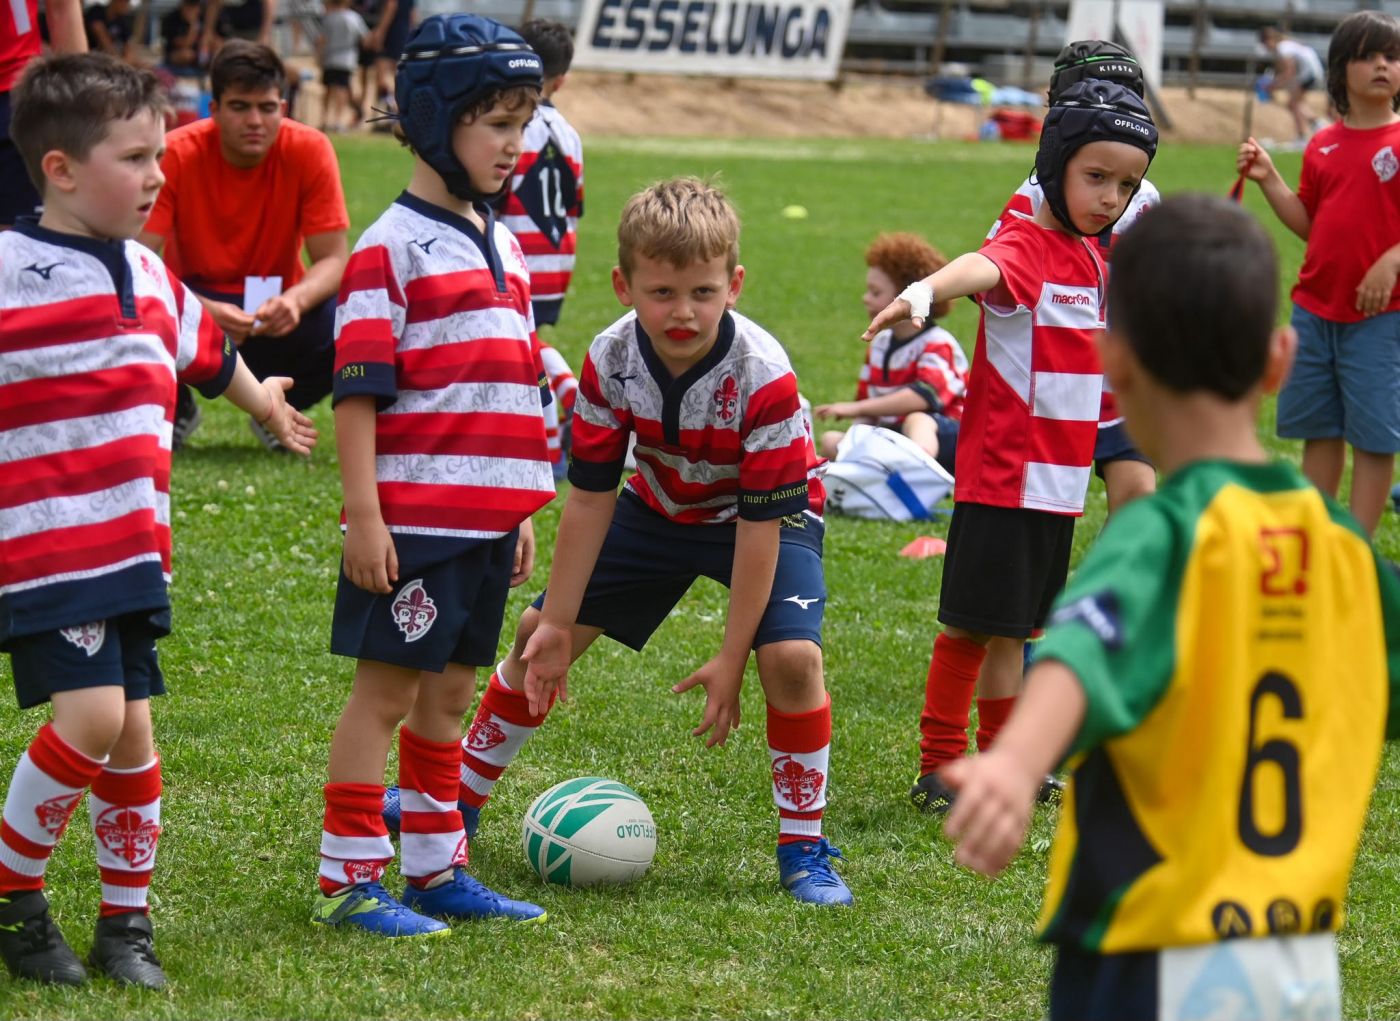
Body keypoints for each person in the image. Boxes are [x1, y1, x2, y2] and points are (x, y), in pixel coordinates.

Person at [942, 192, 1400, 1021]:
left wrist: (1014, 761)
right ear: (1280, 360)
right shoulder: (1342, 548)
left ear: (1112, 365)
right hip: (1295, 962)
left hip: (1152, 950)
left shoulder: (1167, 531)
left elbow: (1080, 653)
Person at [382, 176, 853, 907]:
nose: (683, 311)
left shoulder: (764, 375)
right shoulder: (610, 357)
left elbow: (759, 528)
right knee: (537, 633)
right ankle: (455, 801)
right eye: (661, 292)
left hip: (760, 518)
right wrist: (561, 620)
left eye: (702, 292)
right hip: (659, 504)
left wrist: (732, 659)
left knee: (793, 660)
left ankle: (803, 847)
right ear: (623, 286)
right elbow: (591, 496)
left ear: (734, 285)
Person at [0, 52, 315, 988]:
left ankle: (124, 921)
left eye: (158, 157)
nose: (156, 176)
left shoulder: (148, 272)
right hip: (51, 549)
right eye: (135, 158)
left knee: (132, 734)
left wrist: (267, 406)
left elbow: (208, 356)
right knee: (95, 717)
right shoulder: (11, 271)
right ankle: (13, 895)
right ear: (60, 169)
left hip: (135, 551)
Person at [312, 13, 554, 938]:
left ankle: (434, 868)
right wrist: (365, 515)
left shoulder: (505, 241)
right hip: (414, 523)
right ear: (430, 119)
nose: (515, 143)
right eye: (496, 123)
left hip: (485, 523)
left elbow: (512, 385)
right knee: (386, 695)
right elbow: (357, 393)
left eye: (524, 123)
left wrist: (518, 506)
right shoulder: (390, 247)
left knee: (451, 694)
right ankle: (347, 877)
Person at [860, 80, 1158, 816]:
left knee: (1018, 631)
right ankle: (939, 765)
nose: (1110, 197)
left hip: (1058, 485)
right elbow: (981, 265)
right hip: (1003, 479)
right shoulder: (1029, 243)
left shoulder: (1093, 258)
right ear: (1054, 165)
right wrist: (924, 292)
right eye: (1096, 176)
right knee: (971, 627)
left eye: (1126, 185)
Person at [140, 40, 350, 450]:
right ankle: (175, 411)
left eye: (267, 108)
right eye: (239, 107)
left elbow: (334, 260)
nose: (255, 121)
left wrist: (295, 301)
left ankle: (282, 410)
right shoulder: (176, 152)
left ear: (283, 109)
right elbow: (139, 261)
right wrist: (200, 309)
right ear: (214, 109)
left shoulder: (310, 148)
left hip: (277, 306)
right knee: (137, 305)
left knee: (357, 316)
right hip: (195, 301)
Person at [1237, 10, 1400, 537]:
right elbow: (1312, 223)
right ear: (1339, 71)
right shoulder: (1322, 144)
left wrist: (1392, 260)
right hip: (1314, 310)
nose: (1383, 65)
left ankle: (1358, 547)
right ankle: (1317, 541)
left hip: (1380, 318)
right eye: (1368, 56)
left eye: (1392, 56)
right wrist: (1269, 179)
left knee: (1375, 438)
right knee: (1320, 431)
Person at [989, 39, 1160, 520]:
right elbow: (996, 273)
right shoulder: (1034, 196)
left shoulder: (1145, 199)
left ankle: (1112, 573)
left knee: (1138, 499)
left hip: (1119, 383)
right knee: (1046, 512)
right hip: (1056, 383)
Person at [501, 19, 584, 477]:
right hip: (556, 261)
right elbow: (575, 205)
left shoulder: (513, 127)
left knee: (521, 349)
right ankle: (570, 395)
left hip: (518, 261)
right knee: (529, 343)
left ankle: (552, 444)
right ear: (562, 79)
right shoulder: (569, 135)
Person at [814, 231, 967, 477]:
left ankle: (917, 474)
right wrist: (856, 437)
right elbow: (868, 410)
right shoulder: (880, 344)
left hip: (948, 437)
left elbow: (923, 397)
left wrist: (855, 408)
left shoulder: (939, 343)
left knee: (918, 419)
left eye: (875, 292)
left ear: (906, 297)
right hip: (895, 437)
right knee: (833, 441)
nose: (865, 299)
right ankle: (881, 480)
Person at [0, 0, 85, 228]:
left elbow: (61, 7)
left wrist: (80, 102)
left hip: (15, 94)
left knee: (15, 233)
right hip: (16, 93)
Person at [1260, 25, 1327, 142]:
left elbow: (1289, 72)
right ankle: (1315, 125)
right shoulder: (1285, 46)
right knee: (1295, 104)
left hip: (1308, 73)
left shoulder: (1283, 48)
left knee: (1294, 104)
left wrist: (1273, 85)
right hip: (1310, 72)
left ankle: (1305, 134)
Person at [317, 0, 368, 132]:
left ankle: (324, 118)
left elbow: (322, 39)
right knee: (342, 89)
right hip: (346, 59)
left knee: (328, 89)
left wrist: (320, 56)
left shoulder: (330, 17)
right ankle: (338, 120)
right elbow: (364, 38)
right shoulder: (354, 17)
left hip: (330, 57)